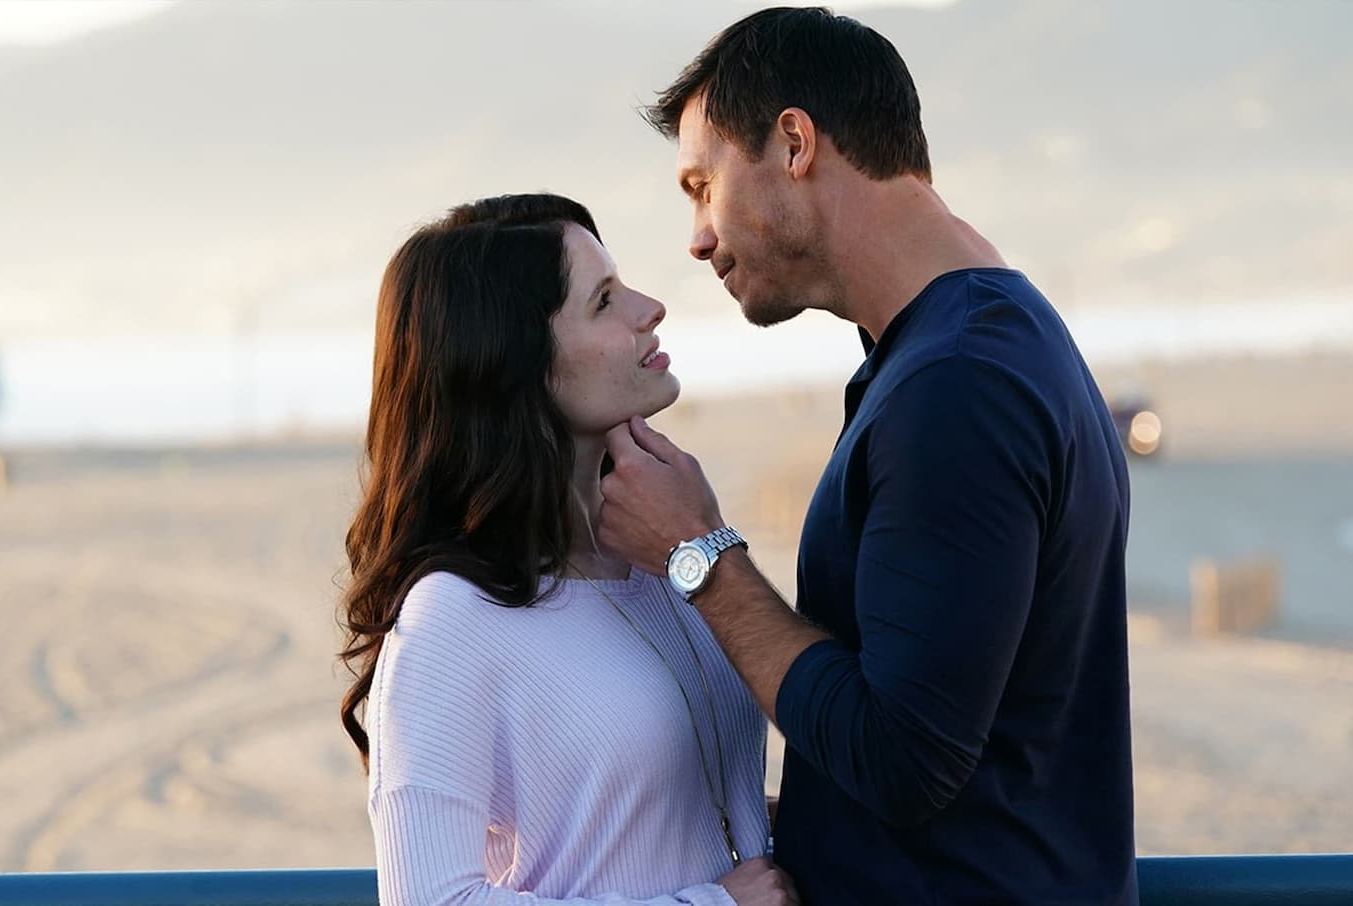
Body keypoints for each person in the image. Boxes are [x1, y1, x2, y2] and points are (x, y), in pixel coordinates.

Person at [595, 7, 1138, 904]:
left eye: (702, 184)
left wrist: (697, 554)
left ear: (794, 143)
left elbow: (905, 760)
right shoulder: (978, 340)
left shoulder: (958, 383)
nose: (696, 237)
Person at [339, 193, 797, 905]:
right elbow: (431, 899)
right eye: (604, 300)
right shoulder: (453, 617)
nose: (651, 308)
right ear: (515, 363)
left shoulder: (662, 561)